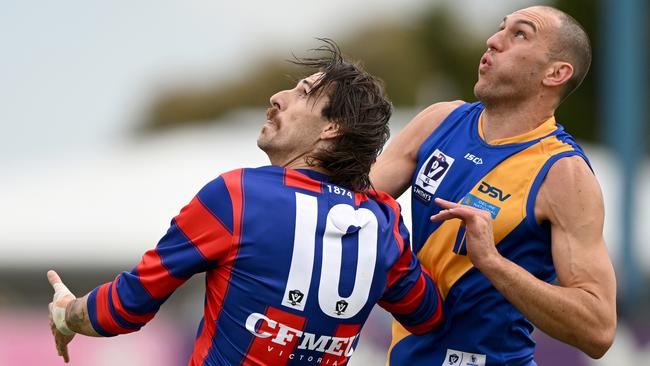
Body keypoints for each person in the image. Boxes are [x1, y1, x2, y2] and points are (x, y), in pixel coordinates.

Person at [47, 39, 444, 365]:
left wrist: (67, 314)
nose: (278, 97)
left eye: (303, 92)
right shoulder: (383, 220)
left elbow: (125, 307)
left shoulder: (237, 195)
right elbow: (427, 315)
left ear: (331, 128)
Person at [370, 5, 617, 365]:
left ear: (556, 72)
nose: (493, 41)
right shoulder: (440, 121)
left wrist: (491, 261)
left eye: (520, 34)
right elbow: (349, 203)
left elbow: (598, 329)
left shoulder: (563, 174)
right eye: (501, 28)